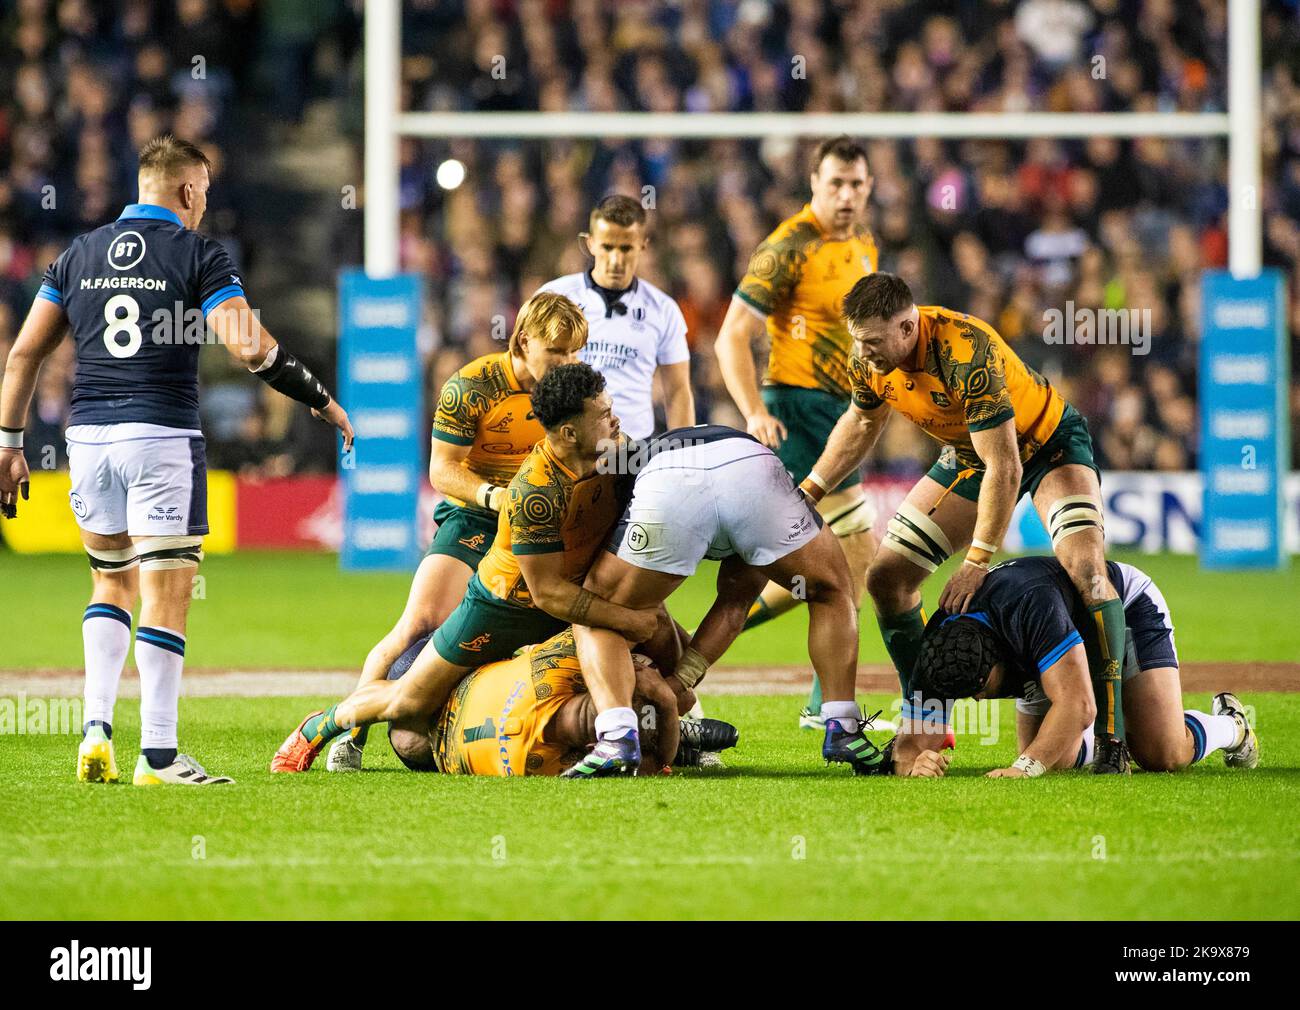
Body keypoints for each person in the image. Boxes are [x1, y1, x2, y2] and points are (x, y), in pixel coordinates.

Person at [0, 135, 353, 786]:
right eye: (205, 193)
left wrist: (9, 444)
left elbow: (23, 355)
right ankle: (158, 755)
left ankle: (96, 728)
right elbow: (248, 347)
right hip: (160, 436)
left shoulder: (77, 253)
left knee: (110, 582)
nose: (204, 205)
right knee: (168, 592)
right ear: (189, 191)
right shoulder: (196, 252)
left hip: (89, 440)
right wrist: (317, 395)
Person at [799, 272, 1132, 773]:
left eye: (872, 342)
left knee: (1087, 569)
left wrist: (977, 560)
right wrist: (810, 491)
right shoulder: (866, 356)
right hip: (970, 457)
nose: (863, 352)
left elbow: (1008, 467)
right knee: (887, 578)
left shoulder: (965, 351)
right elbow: (863, 422)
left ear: (907, 327)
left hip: (1047, 447)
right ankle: (926, 718)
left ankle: (1112, 740)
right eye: (858, 341)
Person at [271, 362, 660, 773]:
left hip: (564, 597)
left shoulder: (616, 454)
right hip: (503, 607)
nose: (615, 419)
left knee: (657, 635)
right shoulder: (536, 493)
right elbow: (547, 594)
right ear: (569, 433)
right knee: (410, 699)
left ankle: (668, 730)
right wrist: (625, 618)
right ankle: (320, 725)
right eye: (603, 414)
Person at [326, 292, 588, 772]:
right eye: (558, 353)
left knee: (576, 619)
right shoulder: (472, 386)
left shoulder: (573, 395)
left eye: (575, 353)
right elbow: (441, 471)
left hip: (543, 523)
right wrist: (494, 496)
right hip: (477, 516)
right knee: (420, 623)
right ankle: (350, 732)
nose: (568, 364)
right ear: (524, 340)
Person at [561, 424, 891, 779]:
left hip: (670, 480)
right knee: (830, 591)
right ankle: (843, 726)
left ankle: (615, 737)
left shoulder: (618, 465)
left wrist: (668, 687)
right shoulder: (678, 452)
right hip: (750, 470)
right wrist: (677, 685)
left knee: (598, 611)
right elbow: (734, 607)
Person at [713, 136, 879, 730]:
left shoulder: (863, 245)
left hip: (840, 411)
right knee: (856, 553)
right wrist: (754, 410)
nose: (846, 195)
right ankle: (826, 705)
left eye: (856, 184)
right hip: (797, 408)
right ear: (814, 183)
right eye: (835, 183)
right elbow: (731, 335)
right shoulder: (786, 247)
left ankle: (695, 646)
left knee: (822, 564)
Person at [885, 556, 1259, 778]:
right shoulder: (938, 652)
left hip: (1120, 612)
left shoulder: (1030, 607)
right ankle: (1117, 735)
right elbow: (911, 744)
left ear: (1002, 658)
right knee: (1054, 754)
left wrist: (1024, 769)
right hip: (1050, 644)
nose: (979, 701)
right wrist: (914, 765)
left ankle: (1231, 726)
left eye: (982, 690)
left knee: (1162, 753)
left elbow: (1080, 706)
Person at [378, 629, 740, 777]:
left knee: (406, 733)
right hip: (444, 720)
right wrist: (672, 689)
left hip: (446, 732)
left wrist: (666, 696)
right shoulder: (552, 670)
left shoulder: (540, 754)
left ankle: (671, 731)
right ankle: (677, 731)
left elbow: (651, 764)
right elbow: (653, 764)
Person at [537, 194, 694, 440]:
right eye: (607, 247)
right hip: (566, 447)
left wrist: (682, 455)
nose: (616, 260)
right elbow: (528, 374)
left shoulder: (664, 309)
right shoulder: (554, 298)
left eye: (626, 248)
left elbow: (677, 391)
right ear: (590, 243)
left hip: (634, 450)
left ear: (643, 244)